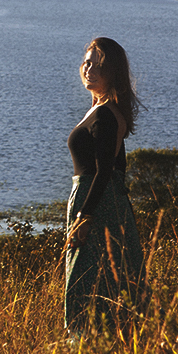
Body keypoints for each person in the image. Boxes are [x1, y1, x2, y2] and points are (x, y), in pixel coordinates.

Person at [64, 37, 147, 335]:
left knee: (90, 286)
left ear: (114, 73)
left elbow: (106, 172)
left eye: (99, 66)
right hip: (98, 203)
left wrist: (85, 217)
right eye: (87, 63)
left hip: (97, 207)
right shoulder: (100, 109)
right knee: (99, 285)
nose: (90, 70)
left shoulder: (106, 115)